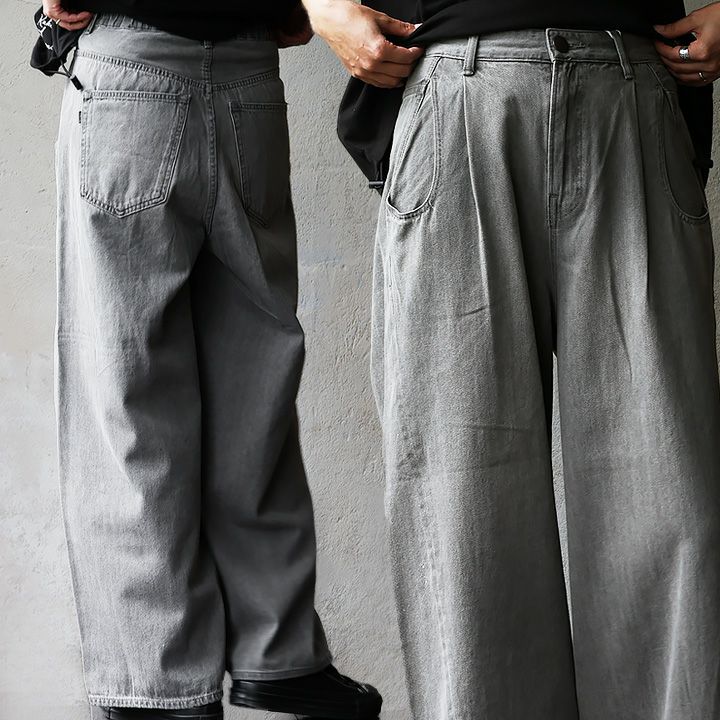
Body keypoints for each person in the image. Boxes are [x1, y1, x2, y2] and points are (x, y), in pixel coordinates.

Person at [301, 0, 720, 718]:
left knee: (668, 500)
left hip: (631, 82)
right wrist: (315, 6)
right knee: (461, 509)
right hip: (453, 89)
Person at [41, 0, 414, 717]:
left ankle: (159, 682)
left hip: (131, 78)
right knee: (255, 385)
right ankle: (278, 652)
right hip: (249, 83)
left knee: (126, 393)